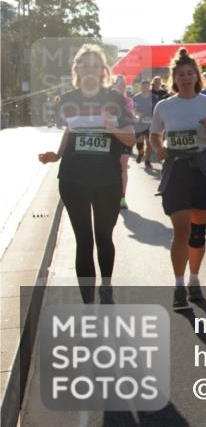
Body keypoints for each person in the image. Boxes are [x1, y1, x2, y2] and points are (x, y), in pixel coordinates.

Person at [38, 44, 135, 303]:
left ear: (103, 70)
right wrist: (56, 155)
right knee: (83, 240)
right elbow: (70, 131)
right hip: (73, 178)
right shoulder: (68, 99)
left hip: (107, 179)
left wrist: (110, 128)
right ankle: (88, 303)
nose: (90, 70)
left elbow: (131, 138)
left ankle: (106, 286)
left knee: (104, 236)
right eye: (85, 65)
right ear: (77, 69)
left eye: (95, 65)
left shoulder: (114, 99)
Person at [149, 49, 206, 308]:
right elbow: (154, 134)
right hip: (176, 170)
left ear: (197, 76)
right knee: (180, 230)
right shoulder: (164, 106)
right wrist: (158, 148)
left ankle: (195, 280)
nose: (185, 78)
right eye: (180, 74)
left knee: (197, 232)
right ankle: (179, 285)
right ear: (174, 78)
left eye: (189, 73)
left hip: (201, 170)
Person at [112, 74, 136, 210]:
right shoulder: (108, 100)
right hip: (112, 137)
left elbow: (131, 115)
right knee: (112, 166)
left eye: (123, 84)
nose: (121, 87)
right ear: (114, 85)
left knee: (123, 166)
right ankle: (110, 194)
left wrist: (134, 117)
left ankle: (122, 197)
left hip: (125, 137)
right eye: (118, 84)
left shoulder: (128, 101)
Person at [133, 79, 155, 169]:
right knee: (139, 143)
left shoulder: (154, 98)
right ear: (141, 87)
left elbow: (157, 110)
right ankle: (141, 153)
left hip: (151, 123)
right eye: (143, 86)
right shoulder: (136, 97)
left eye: (147, 86)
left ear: (149, 87)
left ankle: (147, 161)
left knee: (149, 143)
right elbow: (132, 109)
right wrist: (136, 114)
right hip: (139, 123)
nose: (145, 87)